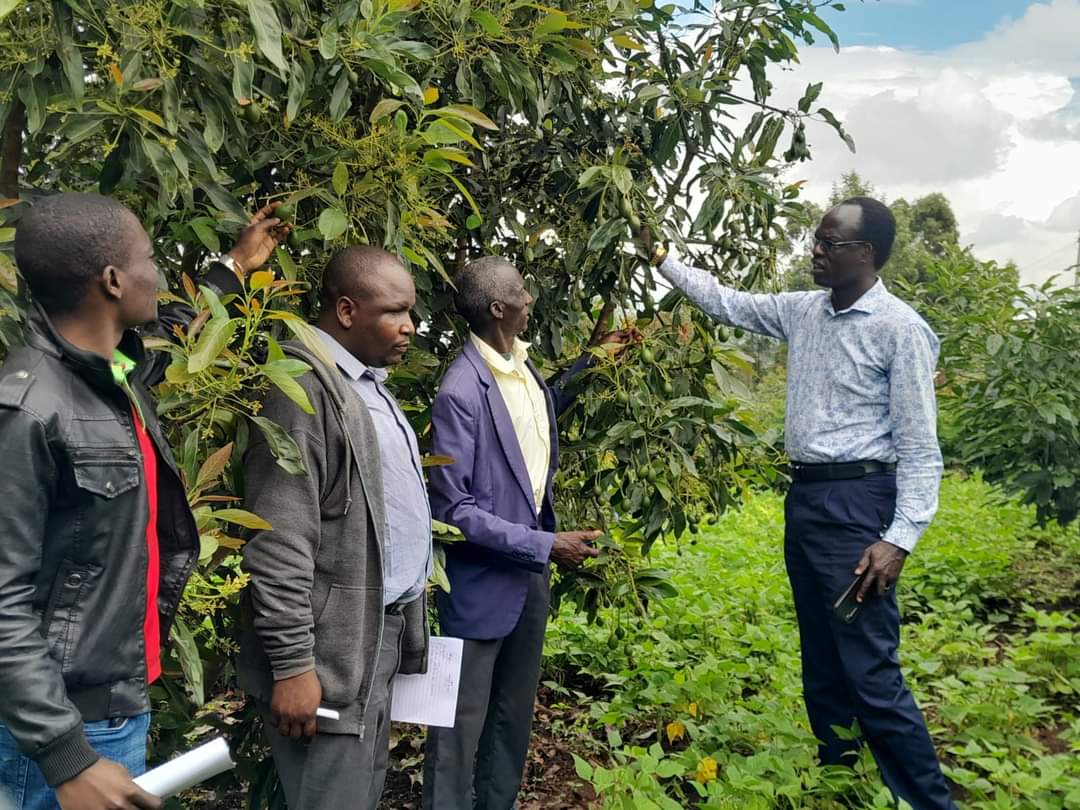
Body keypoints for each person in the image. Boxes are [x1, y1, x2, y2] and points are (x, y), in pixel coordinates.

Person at [638, 198, 954, 809]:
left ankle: (928, 802)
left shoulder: (900, 329)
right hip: (807, 497)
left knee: (870, 669)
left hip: (860, 502)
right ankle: (838, 778)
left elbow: (920, 446)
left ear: (866, 254)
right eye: (817, 239)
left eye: (829, 243)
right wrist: (661, 257)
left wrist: (899, 537)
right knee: (822, 657)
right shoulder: (804, 311)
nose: (815, 251)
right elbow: (728, 301)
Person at [0, 192, 282, 810]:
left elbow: (173, 329)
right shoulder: (28, 411)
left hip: (116, 701)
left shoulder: (112, 376)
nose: (156, 273)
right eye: (149, 259)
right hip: (66, 724)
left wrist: (235, 268)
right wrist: (66, 757)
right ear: (112, 279)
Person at [423, 256, 632, 810]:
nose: (530, 297)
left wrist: (593, 361)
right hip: (479, 585)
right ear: (498, 308)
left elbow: (538, 415)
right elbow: (453, 508)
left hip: (526, 580)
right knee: (458, 725)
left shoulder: (519, 367)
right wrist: (545, 544)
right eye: (521, 291)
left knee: (512, 716)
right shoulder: (461, 392)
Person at [238, 246, 431, 810]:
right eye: (395, 312)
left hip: (371, 639)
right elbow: (279, 539)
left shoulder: (366, 383)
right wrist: (294, 665)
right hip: (327, 657)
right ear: (346, 311)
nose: (410, 327)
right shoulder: (301, 388)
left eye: (411, 312)